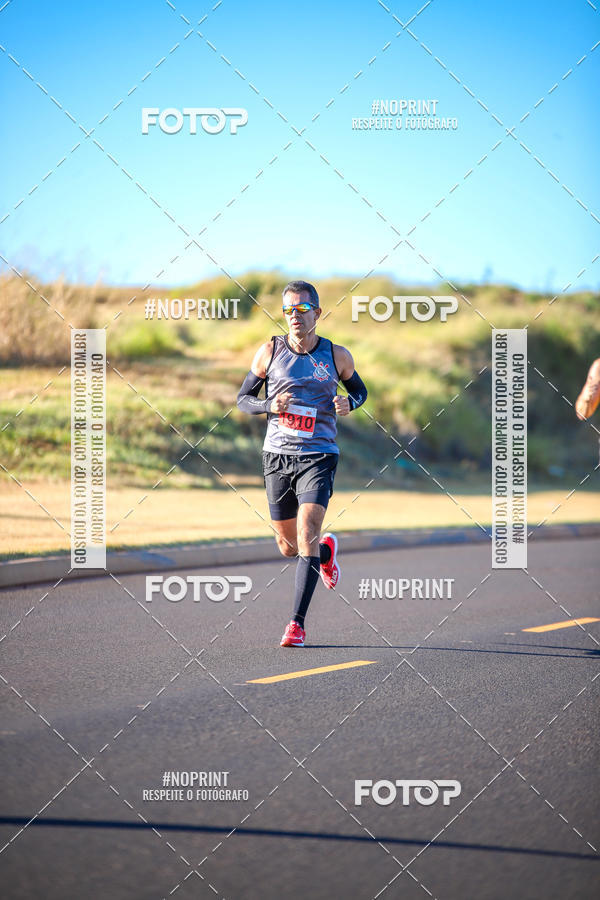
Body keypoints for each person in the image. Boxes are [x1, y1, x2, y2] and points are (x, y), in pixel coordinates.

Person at [237, 280, 368, 647]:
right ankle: (325, 553)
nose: (294, 316)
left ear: (317, 313)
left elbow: (360, 391)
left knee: (307, 529)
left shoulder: (336, 355)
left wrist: (349, 403)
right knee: (289, 547)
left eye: (302, 309)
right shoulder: (269, 352)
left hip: (319, 454)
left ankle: (296, 625)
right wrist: (268, 405)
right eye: (288, 310)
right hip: (277, 456)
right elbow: (243, 399)